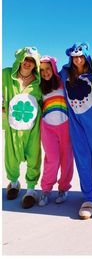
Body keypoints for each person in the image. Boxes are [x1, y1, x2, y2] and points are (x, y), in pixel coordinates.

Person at [60, 42, 92, 220]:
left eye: (80, 56)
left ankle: (91, 188)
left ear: (85, 56)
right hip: (76, 125)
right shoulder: (65, 75)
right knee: (82, 158)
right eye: (74, 56)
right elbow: (46, 74)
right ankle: (88, 199)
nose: (77, 59)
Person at [2, 47, 42, 209]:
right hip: (12, 126)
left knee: (33, 156)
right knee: (11, 156)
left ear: (36, 64)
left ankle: (31, 190)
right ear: (20, 58)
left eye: (32, 61)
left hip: (33, 128)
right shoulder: (5, 75)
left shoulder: (39, 83)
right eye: (25, 59)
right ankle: (13, 182)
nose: (27, 63)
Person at [38, 56, 74, 206]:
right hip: (48, 127)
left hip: (65, 126)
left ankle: (63, 188)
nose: (45, 72)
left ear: (53, 68)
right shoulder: (39, 87)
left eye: (48, 69)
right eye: (42, 70)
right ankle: (46, 190)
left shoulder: (62, 82)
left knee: (66, 160)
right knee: (52, 159)